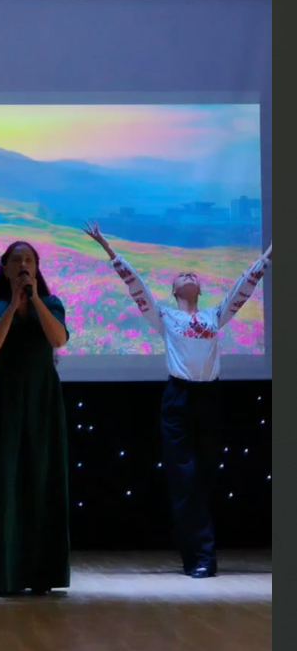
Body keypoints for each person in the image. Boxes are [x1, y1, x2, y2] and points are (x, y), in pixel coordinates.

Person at [83, 221, 272, 578]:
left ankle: (194, 550)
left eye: (193, 274)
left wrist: (269, 253)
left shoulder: (214, 315)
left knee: (203, 477)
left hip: (209, 398)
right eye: (182, 275)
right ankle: (202, 557)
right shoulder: (165, 316)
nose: (189, 275)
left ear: (199, 289)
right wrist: (107, 246)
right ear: (172, 291)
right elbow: (136, 285)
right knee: (184, 477)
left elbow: (243, 287)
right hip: (178, 399)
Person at [0, 241, 70, 596]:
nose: (23, 264)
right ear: (5, 268)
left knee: (40, 479)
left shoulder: (51, 303)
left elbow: (59, 339)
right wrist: (14, 306)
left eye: (29, 260)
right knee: (1, 480)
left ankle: (40, 573)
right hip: (3, 402)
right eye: (17, 260)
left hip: (42, 401)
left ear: (36, 268)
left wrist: (34, 301)